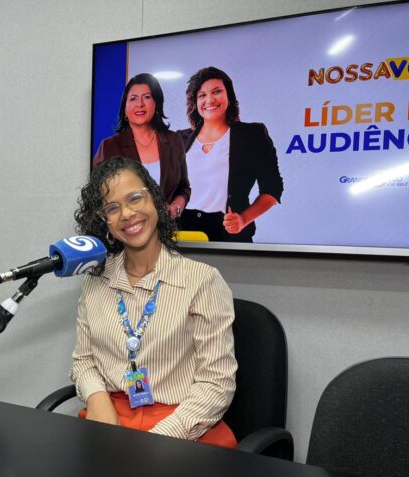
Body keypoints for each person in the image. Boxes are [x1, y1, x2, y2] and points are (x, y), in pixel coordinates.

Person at [70, 156, 237, 448]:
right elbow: (83, 360)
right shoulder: (96, 280)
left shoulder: (202, 281)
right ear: (104, 222)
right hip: (111, 417)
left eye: (135, 198)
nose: (127, 213)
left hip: (183, 426)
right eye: (112, 208)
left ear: (155, 200)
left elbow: (217, 384)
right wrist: (97, 399)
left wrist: (159, 439)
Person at [178, 66, 284, 242]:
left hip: (228, 234)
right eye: (202, 95)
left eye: (217, 91)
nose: (210, 99)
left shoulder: (252, 135)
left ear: (229, 95)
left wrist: (243, 219)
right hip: (183, 234)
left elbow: (272, 188)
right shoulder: (179, 139)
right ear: (195, 102)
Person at [93, 73, 190, 219]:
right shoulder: (109, 147)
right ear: (125, 109)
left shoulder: (174, 140)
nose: (140, 104)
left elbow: (184, 188)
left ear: (156, 103)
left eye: (147, 97)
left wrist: (176, 205)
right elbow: (97, 195)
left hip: (168, 228)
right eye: (133, 98)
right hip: (128, 226)